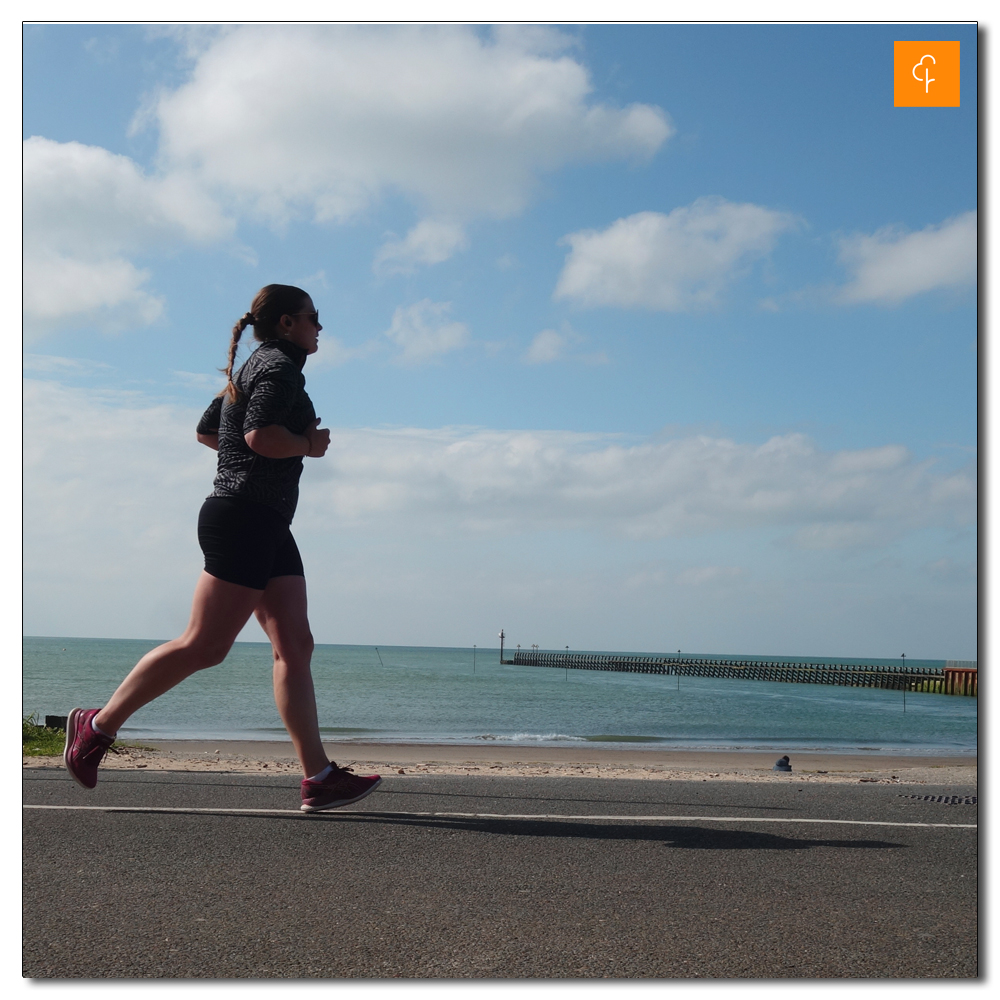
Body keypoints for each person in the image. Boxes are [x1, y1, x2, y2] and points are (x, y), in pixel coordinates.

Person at [63, 284, 381, 813]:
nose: (320, 326)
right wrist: (306, 446)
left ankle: (319, 777)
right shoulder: (277, 366)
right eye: (312, 317)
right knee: (204, 647)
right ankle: (96, 728)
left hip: (266, 522)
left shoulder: (255, 365)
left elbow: (210, 431)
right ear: (285, 324)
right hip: (244, 520)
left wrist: (260, 457)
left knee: (295, 645)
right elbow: (258, 436)